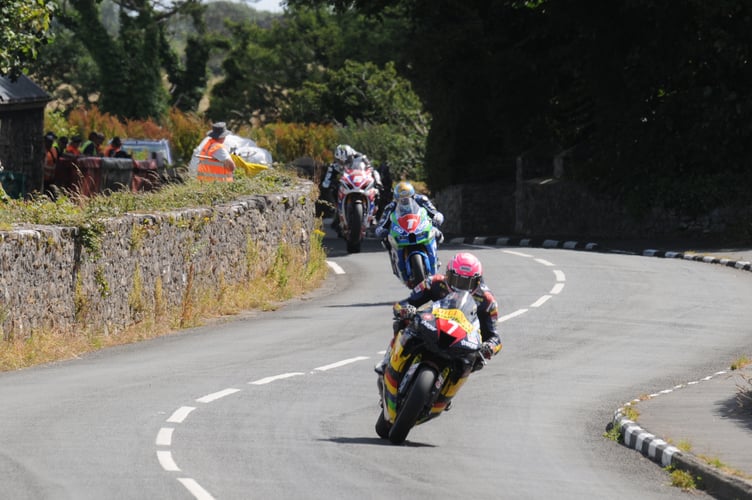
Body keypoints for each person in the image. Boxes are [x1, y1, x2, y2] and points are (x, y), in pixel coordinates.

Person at [375, 252, 502, 378]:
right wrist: (405, 310)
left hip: (463, 337)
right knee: (403, 322)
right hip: (434, 323)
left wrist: (489, 347)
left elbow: (495, 338)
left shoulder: (487, 301)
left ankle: (447, 391)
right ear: (447, 275)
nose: (460, 287)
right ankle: (389, 358)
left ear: (478, 282)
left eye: (467, 283)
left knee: (476, 359)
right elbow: (406, 302)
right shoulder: (433, 282)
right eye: (456, 280)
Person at [322, 144, 383, 230]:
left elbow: (372, 170)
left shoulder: (362, 158)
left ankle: (373, 216)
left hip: (360, 181)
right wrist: (329, 184)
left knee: (377, 192)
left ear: (352, 156)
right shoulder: (334, 166)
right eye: (340, 161)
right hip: (345, 183)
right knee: (333, 190)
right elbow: (326, 181)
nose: (343, 163)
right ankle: (336, 211)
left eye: (346, 161)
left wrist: (378, 182)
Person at [374, 180, 444, 243]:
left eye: (408, 197)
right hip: (401, 231)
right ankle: (394, 254)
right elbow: (382, 223)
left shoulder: (421, 199)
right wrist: (381, 230)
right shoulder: (391, 206)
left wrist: (437, 216)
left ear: (413, 195)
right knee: (386, 240)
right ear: (396, 198)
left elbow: (433, 211)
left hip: (420, 226)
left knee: (436, 233)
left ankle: (433, 250)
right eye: (401, 199)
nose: (405, 201)